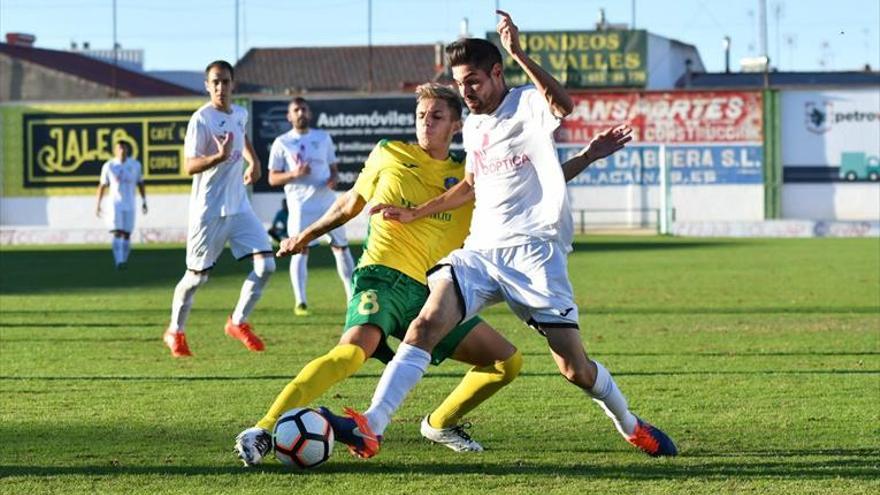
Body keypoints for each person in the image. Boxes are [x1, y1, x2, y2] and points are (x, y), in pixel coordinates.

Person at [327, 11, 677, 459]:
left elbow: (563, 107)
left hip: (535, 256)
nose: (465, 92)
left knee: (575, 369)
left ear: (497, 73)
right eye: (459, 83)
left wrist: (520, 54)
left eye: (473, 81)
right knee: (426, 323)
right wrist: (415, 213)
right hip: (481, 251)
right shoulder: (472, 126)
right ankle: (372, 425)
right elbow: (471, 187)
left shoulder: (527, 104)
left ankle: (631, 425)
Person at [232, 82, 633, 465]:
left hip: (436, 291)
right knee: (351, 352)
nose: (426, 121)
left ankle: (440, 424)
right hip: (383, 276)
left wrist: (588, 156)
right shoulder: (388, 153)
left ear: (456, 125)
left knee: (505, 363)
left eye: (436, 115)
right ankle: (264, 430)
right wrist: (304, 235)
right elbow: (351, 202)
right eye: (421, 114)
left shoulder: (472, 170)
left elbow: (535, 186)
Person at [162, 60, 275, 358]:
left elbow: (242, 134)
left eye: (225, 81)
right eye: (215, 82)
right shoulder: (201, 120)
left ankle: (237, 322)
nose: (221, 87)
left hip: (239, 207)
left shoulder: (240, 112)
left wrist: (255, 161)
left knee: (267, 265)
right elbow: (189, 166)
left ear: (233, 84)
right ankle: (175, 330)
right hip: (208, 211)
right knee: (196, 278)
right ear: (207, 86)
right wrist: (218, 156)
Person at [267, 98, 354, 316]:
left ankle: (352, 297)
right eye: (296, 110)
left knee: (341, 248)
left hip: (328, 204)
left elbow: (333, 168)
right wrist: (294, 174)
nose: (300, 113)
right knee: (299, 249)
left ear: (310, 113)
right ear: (289, 116)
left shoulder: (323, 138)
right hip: (300, 207)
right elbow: (272, 178)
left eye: (304, 109)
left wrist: (334, 179)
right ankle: (301, 302)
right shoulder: (282, 142)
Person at [95, 141, 147, 270]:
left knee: (127, 234)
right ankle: (118, 261)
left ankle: (124, 259)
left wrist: (144, 201)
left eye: (124, 148)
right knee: (117, 232)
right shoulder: (109, 166)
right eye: (119, 148)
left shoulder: (135, 165)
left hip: (130, 203)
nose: (122, 150)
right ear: (115, 150)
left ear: (127, 150)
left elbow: (140, 183)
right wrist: (98, 204)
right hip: (115, 204)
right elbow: (102, 185)